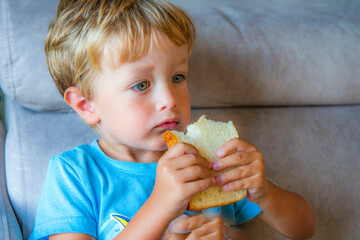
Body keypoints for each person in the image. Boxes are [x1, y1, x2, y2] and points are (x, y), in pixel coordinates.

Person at [29, 0, 316, 239]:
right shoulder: (75, 173)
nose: (170, 99)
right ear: (86, 105)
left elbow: (305, 228)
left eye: (177, 77)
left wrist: (265, 192)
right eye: (141, 85)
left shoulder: (205, 159)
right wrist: (161, 204)